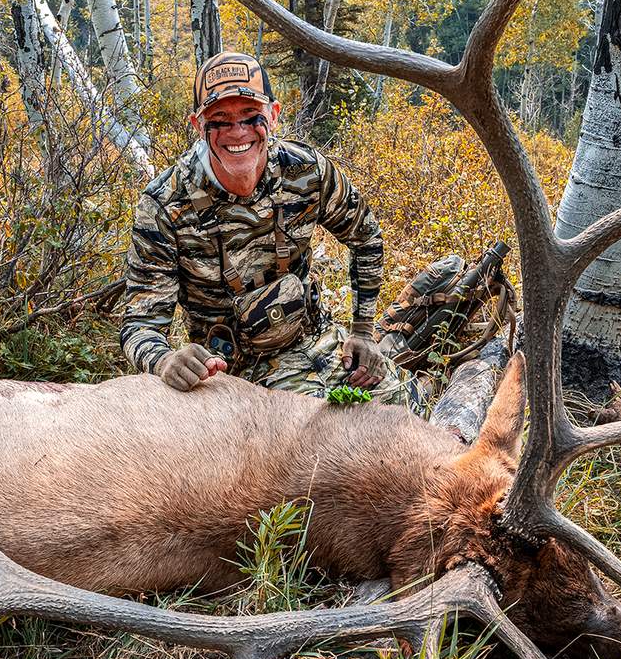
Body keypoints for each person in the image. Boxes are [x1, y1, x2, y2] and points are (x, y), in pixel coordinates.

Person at [120, 50, 419, 408]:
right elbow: (140, 325)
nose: (237, 132)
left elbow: (366, 238)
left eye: (251, 116)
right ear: (198, 125)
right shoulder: (164, 205)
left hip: (320, 341)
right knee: (321, 448)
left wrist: (363, 334)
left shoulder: (306, 171)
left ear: (273, 116)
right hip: (237, 377)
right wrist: (166, 361)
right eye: (220, 119)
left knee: (408, 409)